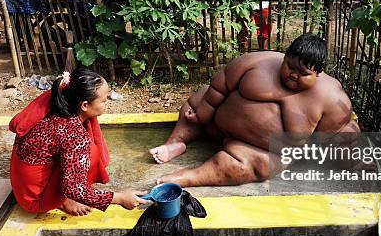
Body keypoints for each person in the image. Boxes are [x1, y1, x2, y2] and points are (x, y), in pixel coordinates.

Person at [149, 34, 360, 187]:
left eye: (302, 73)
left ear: (319, 73)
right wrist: (202, 114)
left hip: (256, 151)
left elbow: (343, 133)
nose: (293, 75)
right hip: (217, 124)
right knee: (196, 102)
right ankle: (175, 143)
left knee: (254, 166)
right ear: (285, 57)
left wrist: (357, 162)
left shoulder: (331, 98)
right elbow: (219, 86)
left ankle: (189, 177)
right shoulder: (258, 62)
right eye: (289, 66)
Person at [9, 68, 147, 215]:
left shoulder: (59, 102)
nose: (106, 104)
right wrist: (120, 198)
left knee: (81, 154)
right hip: (34, 199)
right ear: (85, 105)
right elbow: (73, 188)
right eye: (104, 101)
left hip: (21, 184)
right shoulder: (74, 136)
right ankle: (63, 201)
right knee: (91, 153)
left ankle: (60, 196)